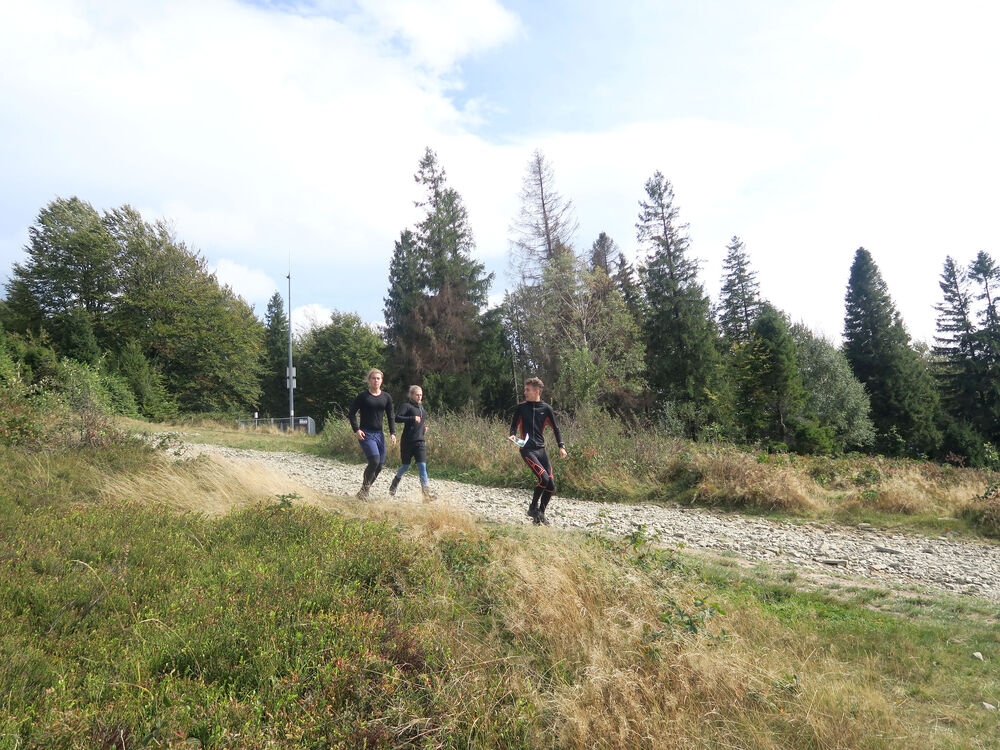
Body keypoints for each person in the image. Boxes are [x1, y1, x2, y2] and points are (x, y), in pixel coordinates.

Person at [509, 377, 567, 525]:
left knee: (551, 484)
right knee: (544, 479)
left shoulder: (546, 408)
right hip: (527, 450)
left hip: (541, 450)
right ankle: (532, 507)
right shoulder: (521, 407)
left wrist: (561, 446)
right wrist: (513, 436)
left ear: (537, 391)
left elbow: (556, 428)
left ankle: (540, 514)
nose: (525, 392)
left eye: (527, 390)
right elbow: (513, 426)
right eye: (525, 389)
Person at [347, 368, 396, 499]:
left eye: (378, 378)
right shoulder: (363, 396)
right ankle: (364, 492)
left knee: (379, 465)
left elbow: (391, 416)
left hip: (379, 434)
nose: (376, 380)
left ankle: (363, 492)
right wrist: (356, 429)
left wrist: (393, 432)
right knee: (374, 461)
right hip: (366, 433)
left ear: (381, 380)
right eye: (373, 378)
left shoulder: (386, 397)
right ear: (369, 380)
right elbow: (351, 413)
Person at [389, 385, 435, 500]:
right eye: (417, 395)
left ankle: (426, 493)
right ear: (411, 395)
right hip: (407, 441)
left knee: (422, 466)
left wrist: (423, 428)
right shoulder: (406, 406)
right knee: (406, 466)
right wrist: (412, 418)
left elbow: (419, 423)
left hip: (420, 441)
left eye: (421, 395)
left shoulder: (422, 409)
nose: (419, 397)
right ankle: (395, 482)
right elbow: (397, 418)